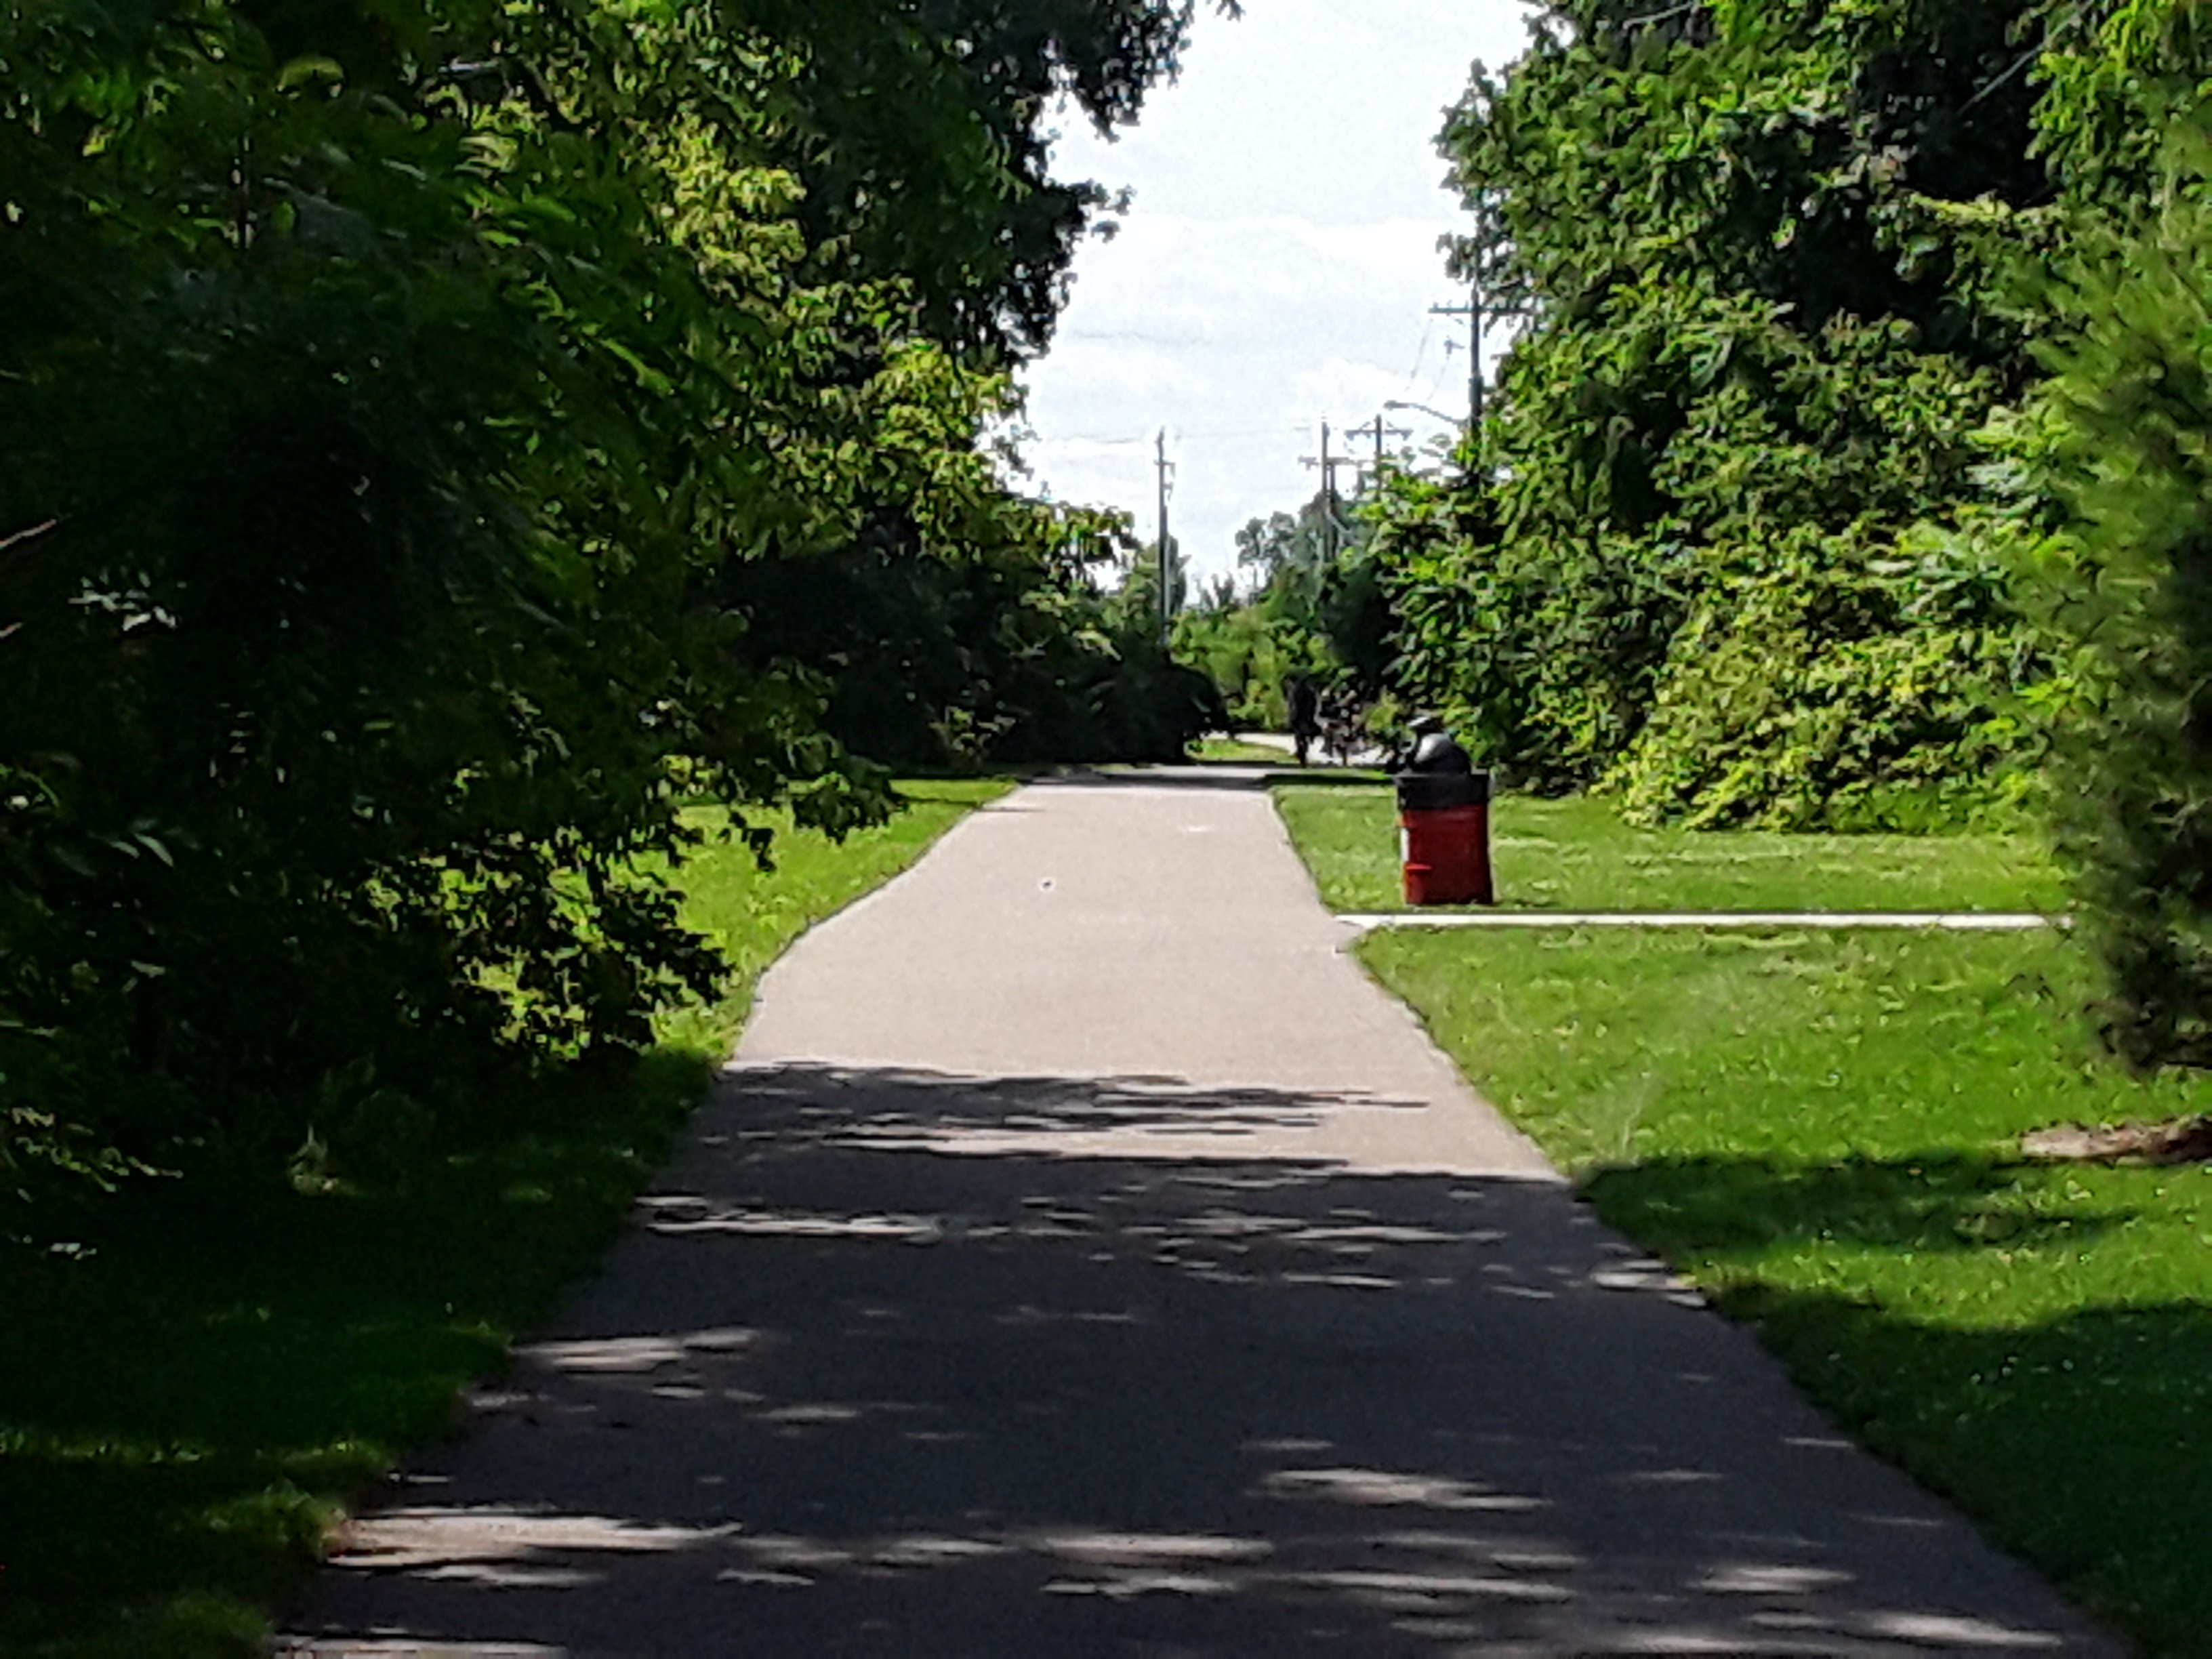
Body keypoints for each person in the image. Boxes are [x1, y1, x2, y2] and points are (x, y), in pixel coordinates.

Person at [1286, 674, 1321, 766]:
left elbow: (1292, 705)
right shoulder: (1310, 691)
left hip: (1298, 715)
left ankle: (1301, 752)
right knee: (1304, 735)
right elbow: (1314, 704)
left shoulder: (1295, 691)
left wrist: (1290, 716)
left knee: (1299, 735)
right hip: (1307, 716)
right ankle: (1303, 751)